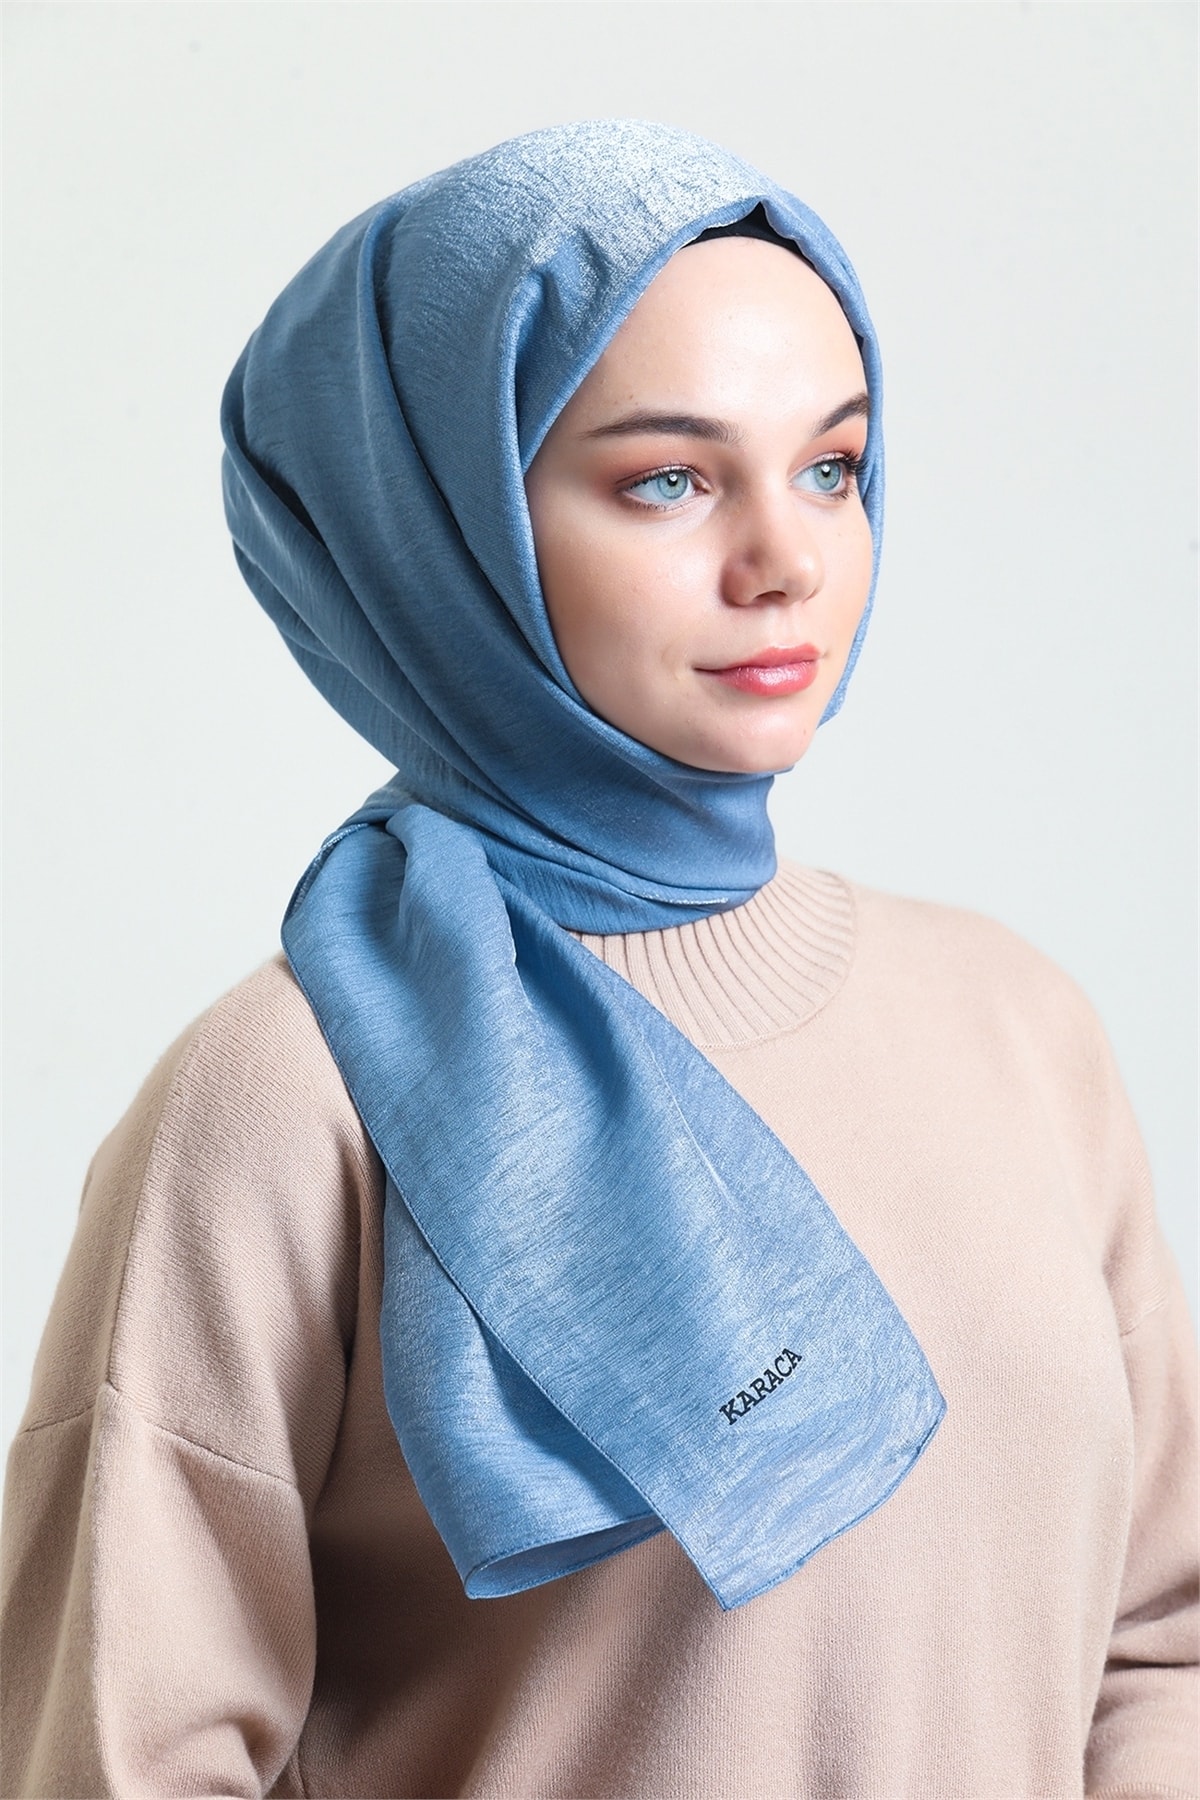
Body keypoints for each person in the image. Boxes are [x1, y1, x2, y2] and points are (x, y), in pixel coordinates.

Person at [1, 120, 1195, 1800]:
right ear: (441, 529)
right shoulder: (291, 1090)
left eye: (833, 466)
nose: (787, 559)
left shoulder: (1019, 1025)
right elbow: (116, 1754)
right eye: (668, 481)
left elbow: (1158, 1642)